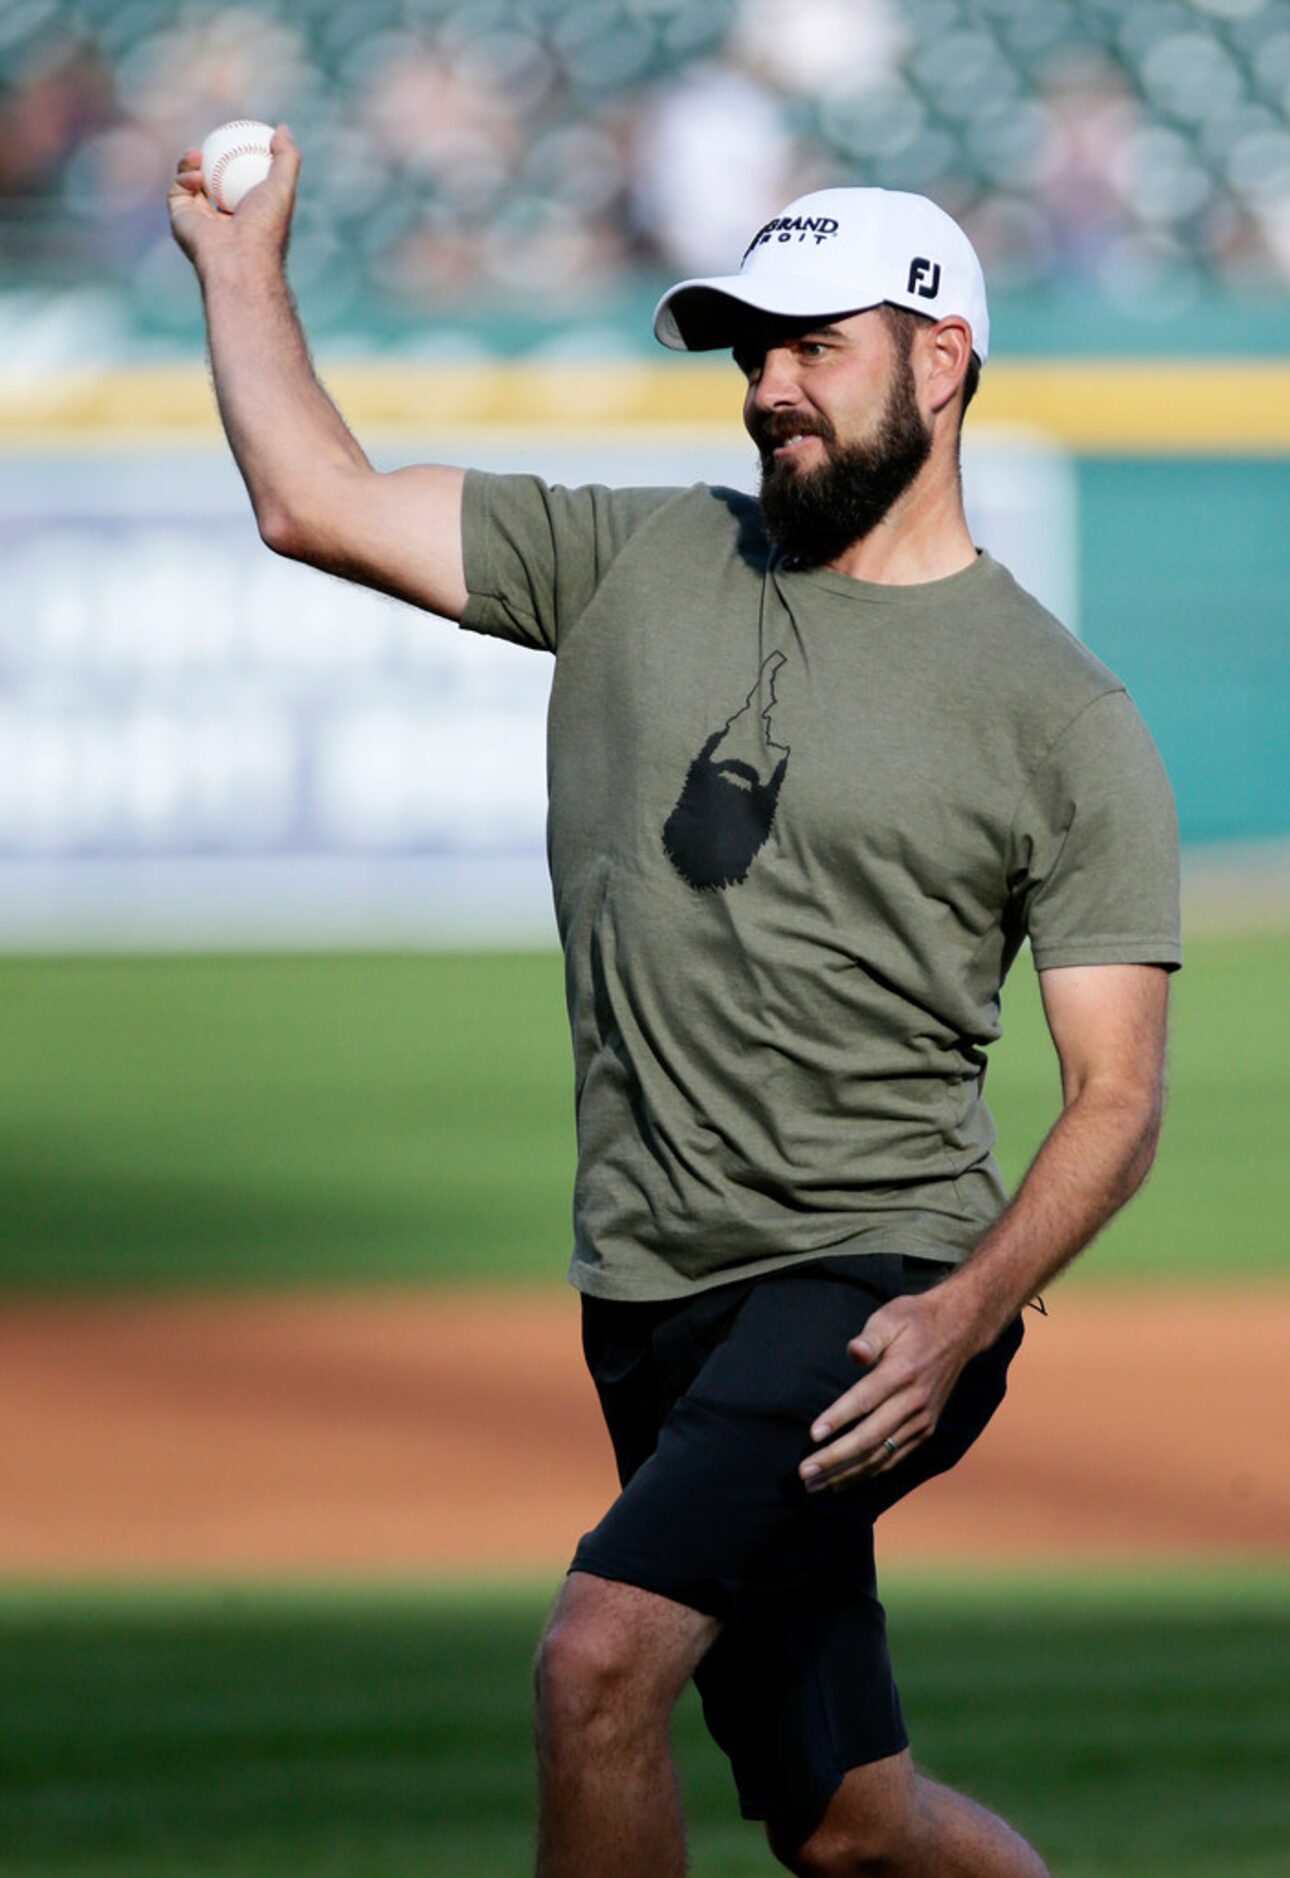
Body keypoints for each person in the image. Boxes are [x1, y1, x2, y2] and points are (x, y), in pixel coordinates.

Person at [169, 133, 1181, 1877]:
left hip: (871, 1293)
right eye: (749, 353)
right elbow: (314, 502)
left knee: (597, 1665)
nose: (770, 391)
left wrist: (965, 1312)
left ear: (942, 361)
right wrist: (235, 260)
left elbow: (1116, 1097)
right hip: (647, 1285)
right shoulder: (638, 560)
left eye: (814, 347)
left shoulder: (1061, 714)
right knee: (853, 1826)